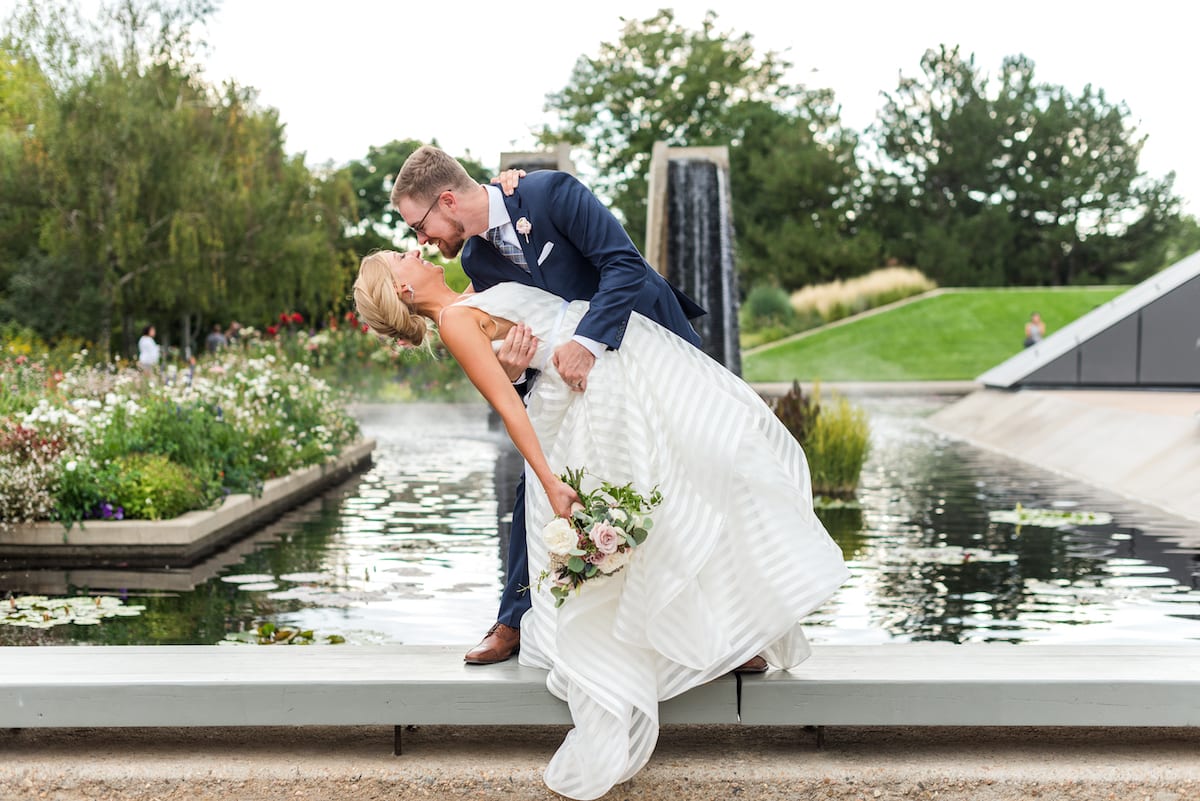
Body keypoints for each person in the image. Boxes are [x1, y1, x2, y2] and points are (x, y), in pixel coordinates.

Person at [353, 250, 850, 800]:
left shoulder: (469, 294)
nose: (414, 250)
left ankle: (724, 632)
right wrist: (548, 479)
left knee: (703, 480)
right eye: (402, 255)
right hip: (598, 397)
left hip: (612, 363)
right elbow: (507, 406)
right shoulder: (453, 321)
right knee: (680, 498)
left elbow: (523, 338)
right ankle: (682, 642)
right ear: (401, 289)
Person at [390, 145, 708, 668]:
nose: (420, 240)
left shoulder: (549, 193)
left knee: (694, 478)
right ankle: (514, 619)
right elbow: (519, 333)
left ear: (447, 199)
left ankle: (734, 636)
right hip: (580, 385)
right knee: (541, 484)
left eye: (418, 225)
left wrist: (586, 341)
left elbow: (623, 265)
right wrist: (514, 371)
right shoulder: (475, 259)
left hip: (647, 342)